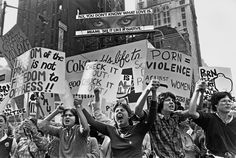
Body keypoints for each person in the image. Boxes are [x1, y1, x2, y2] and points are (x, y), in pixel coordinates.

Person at [82, 80, 158, 158]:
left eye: (122, 110)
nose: (119, 112)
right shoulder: (111, 130)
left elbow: (152, 116)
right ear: (114, 117)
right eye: (117, 111)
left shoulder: (139, 129)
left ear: (129, 116)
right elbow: (92, 121)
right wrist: (79, 107)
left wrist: (153, 92)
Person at [187, 80, 236, 157]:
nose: (228, 103)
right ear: (216, 105)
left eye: (229, 101)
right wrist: (197, 91)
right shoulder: (209, 119)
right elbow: (192, 112)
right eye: (224, 101)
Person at [135, 89, 186, 158]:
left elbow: (193, 112)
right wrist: (148, 90)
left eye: (173, 101)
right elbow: (138, 111)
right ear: (161, 103)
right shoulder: (153, 118)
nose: (171, 102)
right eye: (168, 100)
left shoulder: (175, 118)